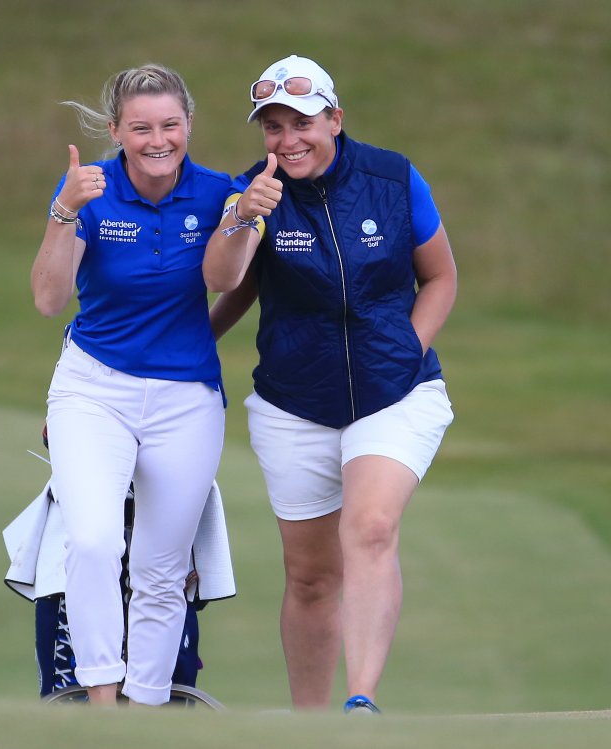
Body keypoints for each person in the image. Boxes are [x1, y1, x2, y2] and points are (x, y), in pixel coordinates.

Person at [204, 55, 458, 713]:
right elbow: (227, 281)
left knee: (371, 524)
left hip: (395, 392)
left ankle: (361, 701)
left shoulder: (392, 178)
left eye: (303, 122)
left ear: (335, 120)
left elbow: (441, 277)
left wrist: (408, 349)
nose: (288, 139)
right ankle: (310, 725)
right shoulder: (252, 190)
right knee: (312, 577)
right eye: (273, 126)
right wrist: (241, 217)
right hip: (295, 402)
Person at [31, 63, 236, 706]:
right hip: (93, 388)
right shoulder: (87, 193)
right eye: (141, 127)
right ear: (116, 130)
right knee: (91, 539)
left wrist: (246, 220)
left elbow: (233, 280)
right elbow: (48, 298)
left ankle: (145, 709)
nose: (158, 140)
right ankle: (102, 705)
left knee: (160, 565)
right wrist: (64, 211)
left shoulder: (217, 195)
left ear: (189, 126)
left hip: (187, 399)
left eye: (170, 125)